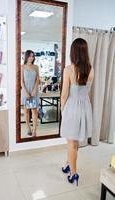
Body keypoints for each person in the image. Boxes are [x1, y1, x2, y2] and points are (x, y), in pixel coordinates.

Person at [60, 38, 94, 186]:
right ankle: (68, 164)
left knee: (71, 144)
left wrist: (63, 110)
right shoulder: (91, 69)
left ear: (73, 52)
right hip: (85, 108)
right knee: (75, 142)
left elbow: (64, 94)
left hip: (72, 108)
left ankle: (73, 174)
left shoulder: (68, 69)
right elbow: (87, 91)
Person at [21, 50, 40, 137]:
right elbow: (21, 81)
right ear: (26, 57)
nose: (31, 58)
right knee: (26, 111)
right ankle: (28, 128)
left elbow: (37, 79)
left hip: (34, 91)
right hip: (26, 91)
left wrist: (35, 89)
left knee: (34, 111)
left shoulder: (36, 67)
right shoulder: (22, 67)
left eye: (33, 56)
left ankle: (35, 130)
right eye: (30, 56)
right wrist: (25, 91)